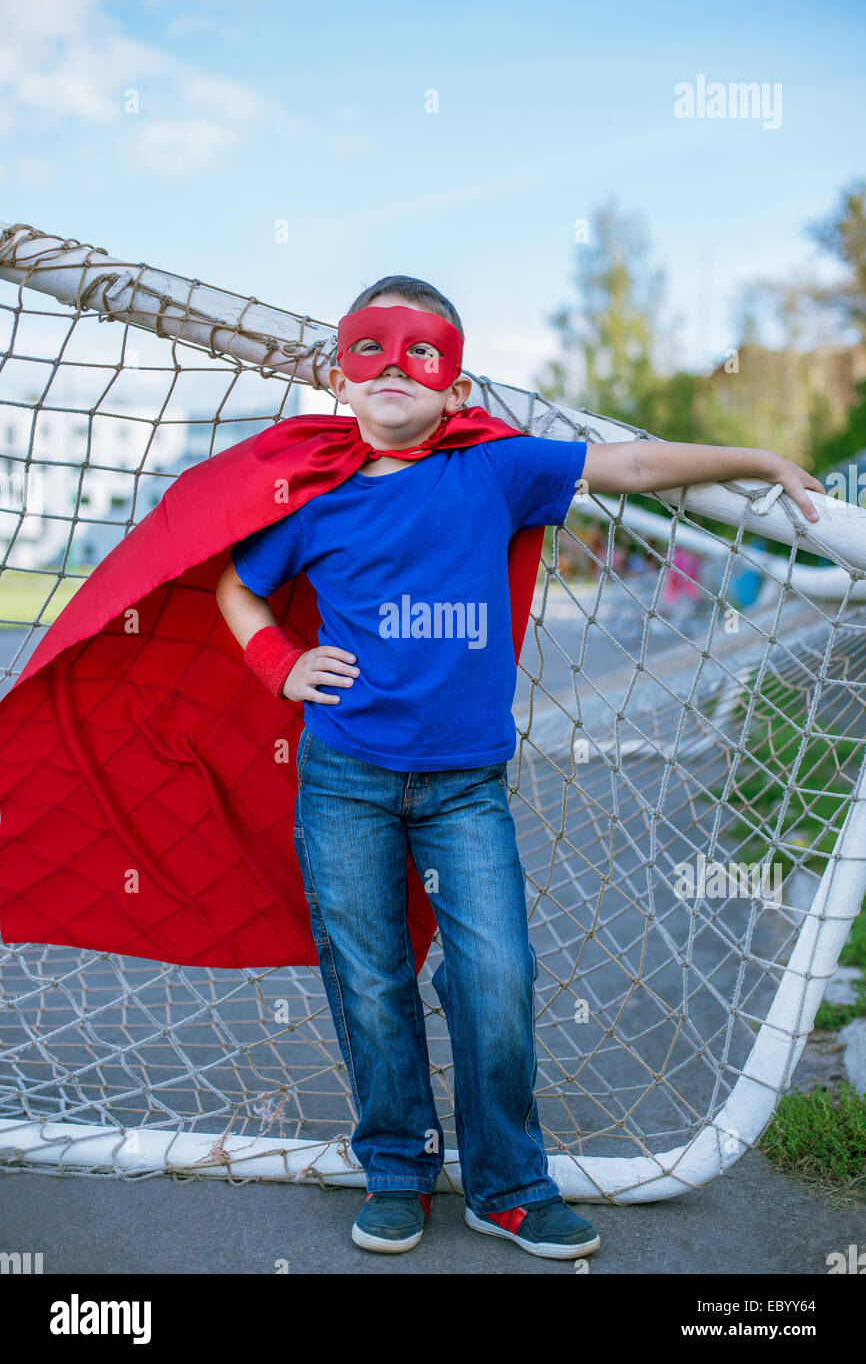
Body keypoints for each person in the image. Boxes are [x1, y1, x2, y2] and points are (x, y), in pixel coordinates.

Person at [215, 276, 824, 1259]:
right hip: (344, 783)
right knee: (369, 982)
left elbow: (627, 462)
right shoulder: (314, 504)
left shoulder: (495, 473)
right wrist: (279, 664)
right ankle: (399, 1170)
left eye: (421, 353)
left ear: (454, 388)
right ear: (339, 380)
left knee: (494, 976)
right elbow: (235, 586)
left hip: (463, 791)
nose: (393, 371)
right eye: (370, 353)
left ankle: (506, 1184)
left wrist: (759, 454)